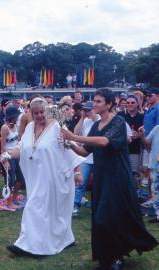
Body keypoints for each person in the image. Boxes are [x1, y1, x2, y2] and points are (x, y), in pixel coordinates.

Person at [61, 88, 158, 270]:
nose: (95, 104)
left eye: (98, 101)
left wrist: (74, 136)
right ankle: (107, 256)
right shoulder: (96, 126)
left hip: (117, 177)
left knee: (109, 217)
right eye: (94, 101)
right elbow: (84, 150)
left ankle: (117, 257)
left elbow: (105, 141)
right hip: (102, 178)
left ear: (109, 104)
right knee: (100, 217)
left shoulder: (118, 122)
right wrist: (70, 144)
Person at [0, 97, 84, 256]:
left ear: (48, 111)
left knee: (49, 211)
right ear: (31, 113)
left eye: (42, 112)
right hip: (37, 179)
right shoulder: (30, 127)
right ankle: (32, 243)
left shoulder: (58, 127)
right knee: (39, 209)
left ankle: (32, 244)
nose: (40, 116)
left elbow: (71, 148)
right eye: (36, 113)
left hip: (56, 178)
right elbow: (21, 149)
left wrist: (77, 171)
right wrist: (8, 154)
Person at [73, 101, 100, 215]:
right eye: (85, 110)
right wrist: (82, 117)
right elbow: (76, 133)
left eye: (88, 110)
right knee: (81, 183)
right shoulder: (85, 120)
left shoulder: (99, 119)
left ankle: (98, 206)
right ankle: (75, 205)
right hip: (86, 157)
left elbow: (98, 127)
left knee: (99, 184)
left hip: (98, 157)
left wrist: (92, 115)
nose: (87, 112)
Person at [1, 105, 24, 206]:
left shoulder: (15, 126)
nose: (17, 118)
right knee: (9, 179)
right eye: (16, 116)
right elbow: (2, 146)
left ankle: (14, 197)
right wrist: (5, 160)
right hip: (8, 155)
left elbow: (17, 140)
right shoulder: (5, 128)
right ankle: (9, 202)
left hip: (17, 155)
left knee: (20, 178)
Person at [139, 125, 159, 223]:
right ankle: (158, 215)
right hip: (155, 166)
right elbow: (147, 141)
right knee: (155, 191)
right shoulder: (156, 128)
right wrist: (142, 136)